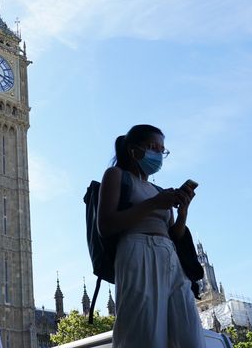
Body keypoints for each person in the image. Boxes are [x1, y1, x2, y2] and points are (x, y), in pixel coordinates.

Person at [97, 124, 204, 348]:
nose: (158, 154)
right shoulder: (117, 175)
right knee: (145, 335)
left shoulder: (157, 190)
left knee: (191, 337)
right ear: (133, 150)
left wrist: (182, 212)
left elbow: (175, 234)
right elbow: (105, 225)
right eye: (153, 147)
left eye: (162, 150)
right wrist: (154, 204)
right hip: (137, 250)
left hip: (171, 258)